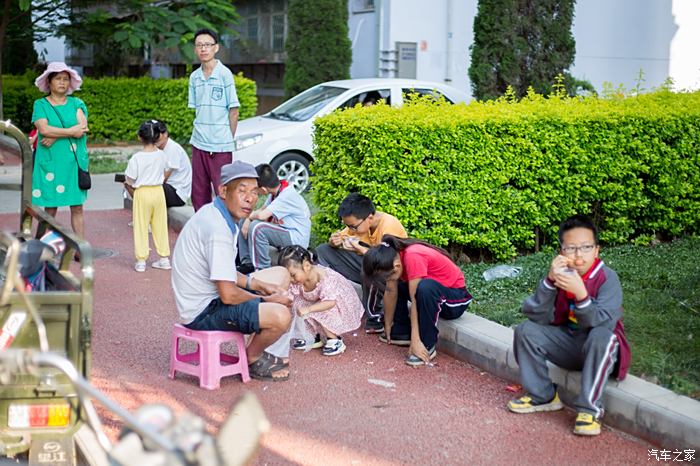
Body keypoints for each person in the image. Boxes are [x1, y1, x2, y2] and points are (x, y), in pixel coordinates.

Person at [507, 215, 630, 436]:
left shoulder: (607, 278)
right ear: (562, 252)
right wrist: (549, 282)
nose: (578, 255)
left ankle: (589, 410)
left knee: (603, 336)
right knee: (526, 330)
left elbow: (603, 323)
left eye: (585, 247)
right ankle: (543, 396)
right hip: (569, 344)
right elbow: (535, 314)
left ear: (596, 250)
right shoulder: (561, 276)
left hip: (599, 350)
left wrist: (581, 295)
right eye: (571, 248)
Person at [171, 160, 294, 382]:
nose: (250, 198)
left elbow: (223, 271)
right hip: (203, 311)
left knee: (280, 275)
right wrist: (265, 300)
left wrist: (259, 285)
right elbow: (228, 294)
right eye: (242, 190)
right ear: (223, 191)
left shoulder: (218, 214)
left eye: (255, 192)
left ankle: (253, 339)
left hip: (214, 297)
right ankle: (251, 358)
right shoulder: (217, 228)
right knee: (280, 316)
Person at [362, 235, 473, 366]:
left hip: (456, 299)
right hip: (431, 295)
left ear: (396, 266)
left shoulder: (413, 256)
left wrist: (416, 341)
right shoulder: (392, 257)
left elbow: (415, 301)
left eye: (387, 276)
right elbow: (391, 292)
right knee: (402, 286)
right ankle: (401, 331)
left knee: (425, 287)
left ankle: (426, 344)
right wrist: (388, 326)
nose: (387, 280)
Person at [315, 193, 407, 335]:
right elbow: (343, 237)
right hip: (367, 266)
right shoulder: (358, 222)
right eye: (347, 226)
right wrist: (333, 242)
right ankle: (330, 299)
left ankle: (375, 318)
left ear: (369, 218)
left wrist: (362, 250)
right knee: (323, 250)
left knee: (368, 266)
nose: (351, 230)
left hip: (391, 275)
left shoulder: (389, 225)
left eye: (353, 227)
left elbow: (388, 262)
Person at [31, 62, 89, 240]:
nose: (62, 82)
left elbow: (83, 127)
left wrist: (56, 136)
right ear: (49, 82)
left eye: (65, 79)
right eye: (58, 79)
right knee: (50, 206)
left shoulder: (76, 103)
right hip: (51, 162)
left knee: (77, 206)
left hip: (74, 162)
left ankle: (80, 246)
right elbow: (43, 129)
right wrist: (71, 132)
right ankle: (39, 245)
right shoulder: (40, 104)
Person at [188, 28, 240, 212]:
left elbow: (234, 111)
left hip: (220, 146)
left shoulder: (225, 74)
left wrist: (226, 138)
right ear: (195, 49)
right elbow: (197, 111)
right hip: (199, 143)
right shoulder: (194, 77)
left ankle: (225, 234)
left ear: (216, 48)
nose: (203, 49)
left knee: (223, 192)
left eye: (207, 45)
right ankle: (202, 233)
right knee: (198, 194)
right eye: (199, 45)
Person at [279, 245, 363, 356]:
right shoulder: (298, 281)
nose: (290, 280)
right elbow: (290, 295)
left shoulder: (325, 278)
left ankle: (334, 338)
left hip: (337, 304)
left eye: (293, 275)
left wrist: (309, 309)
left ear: (307, 266)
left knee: (320, 310)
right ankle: (313, 336)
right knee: (296, 304)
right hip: (318, 301)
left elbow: (330, 302)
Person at [237, 164, 311, 273]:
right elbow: (262, 210)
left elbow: (262, 215)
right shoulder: (277, 192)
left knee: (257, 228)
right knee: (244, 219)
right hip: (285, 231)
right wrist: (247, 219)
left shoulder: (287, 195)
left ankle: (263, 270)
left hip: (296, 238)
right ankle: (247, 263)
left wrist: (250, 219)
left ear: (263, 189)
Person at [124, 121, 171, 273]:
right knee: (160, 225)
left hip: (142, 193)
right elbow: (165, 171)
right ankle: (164, 259)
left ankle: (141, 261)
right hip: (158, 191)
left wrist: (131, 184)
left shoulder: (136, 158)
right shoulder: (162, 155)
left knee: (141, 226)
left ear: (140, 137)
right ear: (157, 136)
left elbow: (129, 179)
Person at [153, 121, 192, 208]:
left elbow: (163, 178)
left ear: (165, 134)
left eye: (157, 135)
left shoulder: (172, 148)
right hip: (169, 188)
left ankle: (146, 219)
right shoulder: (158, 149)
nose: (154, 138)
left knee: (149, 189)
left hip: (178, 193)